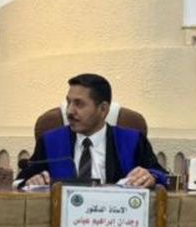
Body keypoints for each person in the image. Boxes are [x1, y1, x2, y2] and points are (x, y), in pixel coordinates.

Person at [21, 73, 168, 188]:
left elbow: (162, 175)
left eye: (79, 104)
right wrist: (31, 181)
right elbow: (21, 180)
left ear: (103, 109)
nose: (70, 111)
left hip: (116, 214)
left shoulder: (132, 141)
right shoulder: (50, 141)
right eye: (69, 102)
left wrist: (151, 177)